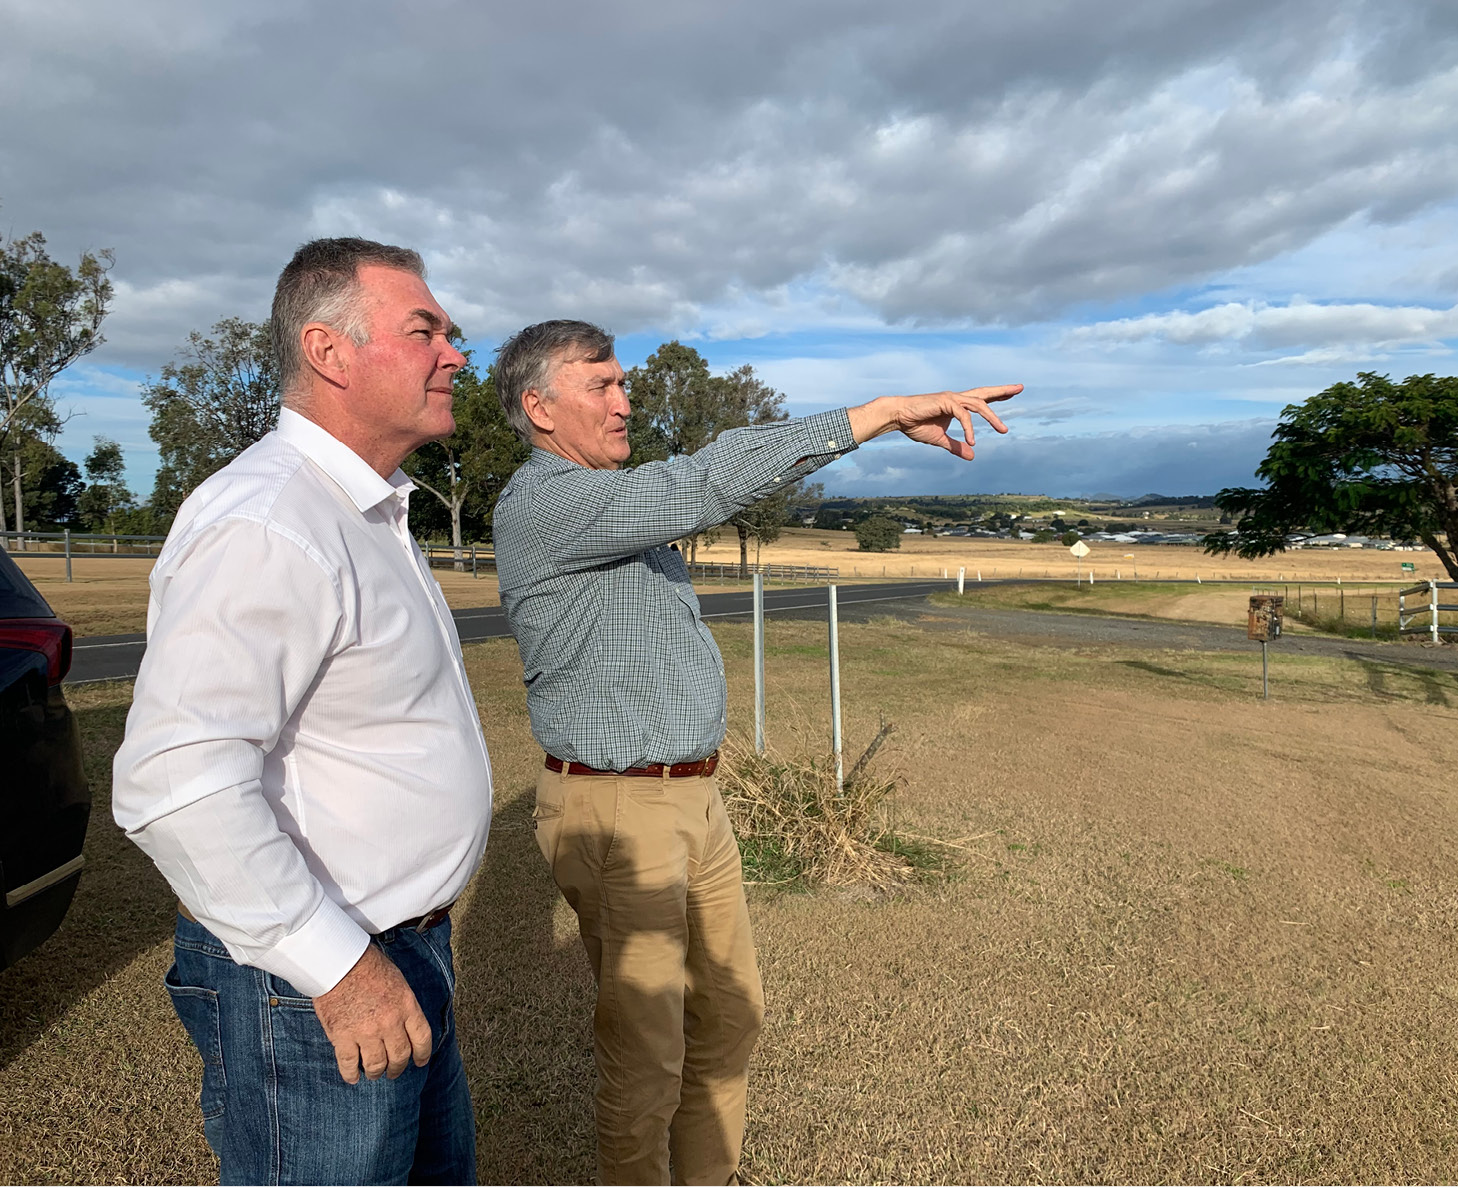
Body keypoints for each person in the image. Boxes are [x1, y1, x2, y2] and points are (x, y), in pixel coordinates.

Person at [491, 318, 1019, 1184]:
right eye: (604, 386)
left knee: (731, 1020)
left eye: (625, 383)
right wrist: (880, 413)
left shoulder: (610, 507)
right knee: (648, 1051)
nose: (627, 402)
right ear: (538, 408)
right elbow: (708, 481)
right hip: (620, 810)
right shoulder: (547, 502)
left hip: (693, 800)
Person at [112, 237, 493, 1185]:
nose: (456, 351)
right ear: (329, 352)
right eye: (425, 330)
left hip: (401, 951)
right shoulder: (269, 519)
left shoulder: (364, 510)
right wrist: (341, 971)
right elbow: (176, 785)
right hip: (316, 983)